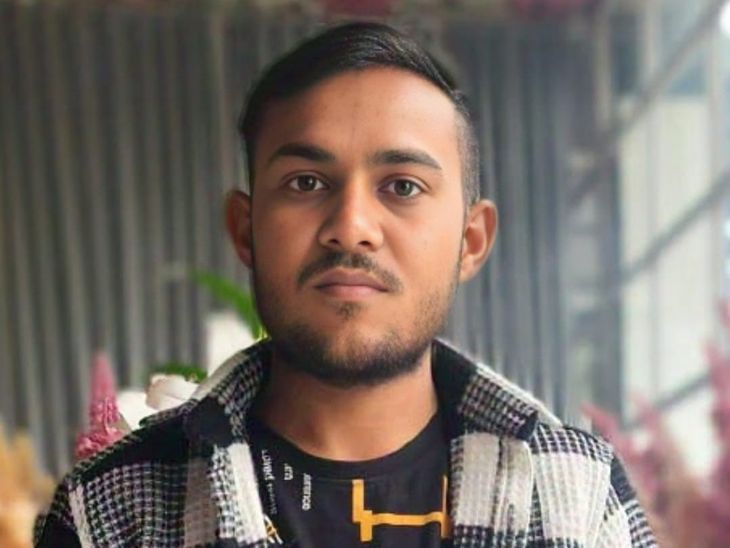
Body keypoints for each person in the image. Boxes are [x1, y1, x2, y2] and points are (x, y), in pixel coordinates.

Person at [35, 22, 656, 547]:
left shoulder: (577, 495)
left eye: (403, 186)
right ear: (246, 231)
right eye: (306, 183)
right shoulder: (111, 512)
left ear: (470, 241)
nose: (351, 227)